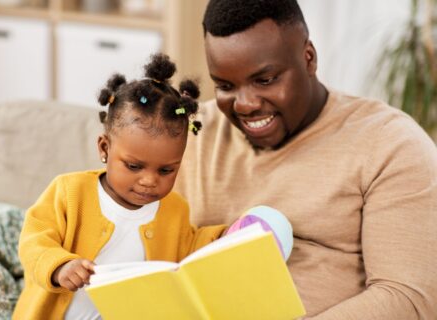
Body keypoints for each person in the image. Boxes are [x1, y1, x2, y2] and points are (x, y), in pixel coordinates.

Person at [174, 0, 437, 319]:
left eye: (264, 80)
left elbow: (408, 298)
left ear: (309, 58)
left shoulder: (390, 143)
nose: (244, 105)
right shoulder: (188, 131)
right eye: (226, 86)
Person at [13, 53, 227, 319]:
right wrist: (60, 267)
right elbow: (33, 242)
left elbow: (189, 248)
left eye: (166, 170)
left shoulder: (175, 209)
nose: (150, 181)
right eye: (134, 166)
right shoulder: (69, 192)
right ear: (105, 148)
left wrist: (225, 236)